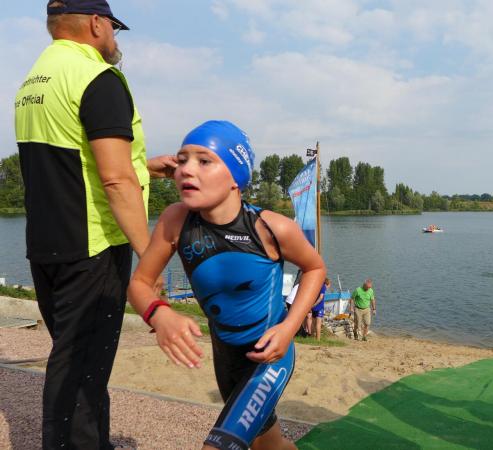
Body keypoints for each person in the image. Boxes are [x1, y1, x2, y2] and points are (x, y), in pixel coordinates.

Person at [14, 2, 177, 448]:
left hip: (47, 246)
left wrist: (147, 166)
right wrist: (150, 258)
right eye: (115, 29)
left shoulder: (34, 81)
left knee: (77, 358)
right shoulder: (98, 78)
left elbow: (70, 162)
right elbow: (115, 179)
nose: (116, 39)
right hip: (93, 246)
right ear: (96, 23)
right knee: (80, 373)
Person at [127, 120, 326, 450]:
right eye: (182, 159)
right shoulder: (176, 220)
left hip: (269, 356)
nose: (187, 169)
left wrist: (289, 328)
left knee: (220, 446)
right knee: (268, 444)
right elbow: (139, 283)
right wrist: (160, 315)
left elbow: (315, 268)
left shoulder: (270, 228)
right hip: (225, 355)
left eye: (204, 161)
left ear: (236, 177)